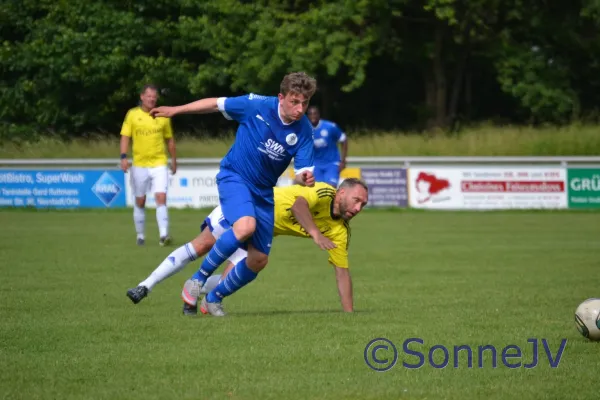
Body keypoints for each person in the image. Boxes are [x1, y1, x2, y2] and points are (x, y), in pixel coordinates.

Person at [126, 72, 318, 317]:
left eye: (305, 103)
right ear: (281, 97)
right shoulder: (256, 105)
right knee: (240, 228)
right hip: (235, 178)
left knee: (258, 259)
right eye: (294, 102)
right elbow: (215, 104)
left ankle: (213, 297)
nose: (300, 109)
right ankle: (197, 279)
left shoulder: (304, 130)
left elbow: (301, 172)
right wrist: (176, 110)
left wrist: (304, 178)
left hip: (262, 194)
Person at [125, 179, 369, 314]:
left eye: (363, 205)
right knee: (202, 245)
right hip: (248, 209)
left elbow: (342, 273)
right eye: (356, 200)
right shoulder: (324, 192)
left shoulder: (340, 231)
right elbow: (299, 206)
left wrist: (349, 316)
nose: (359, 208)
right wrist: (315, 233)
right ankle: (146, 285)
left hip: (261, 231)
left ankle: (206, 295)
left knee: (251, 266)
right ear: (341, 193)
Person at [120, 84, 177, 246]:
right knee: (140, 200)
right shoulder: (132, 115)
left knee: (161, 197)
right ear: (142, 97)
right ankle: (140, 235)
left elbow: (169, 140)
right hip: (140, 164)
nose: (152, 99)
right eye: (149, 96)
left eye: (154, 96)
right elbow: (125, 137)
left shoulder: (162, 115)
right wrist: (123, 157)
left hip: (159, 163)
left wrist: (174, 160)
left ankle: (163, 235)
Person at [307, 106, 348, 188]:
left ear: (319, 115)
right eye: (310, 114)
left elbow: (344, 139)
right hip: (316, 165)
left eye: (315, 114)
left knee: (330, 188)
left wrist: (343, 161)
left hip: (332, 163)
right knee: (318, 190)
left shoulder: (330, 127)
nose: (312, 116)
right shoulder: (305, 130)